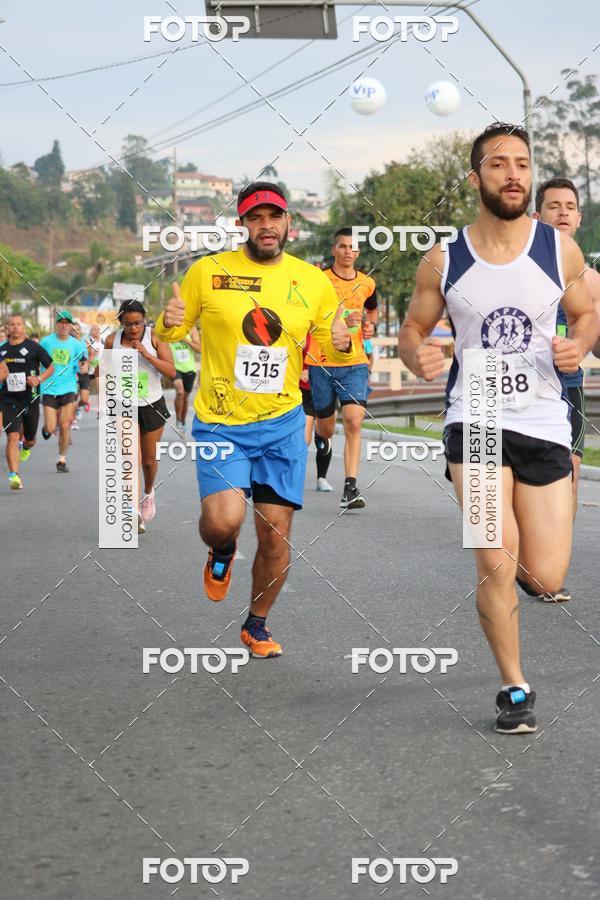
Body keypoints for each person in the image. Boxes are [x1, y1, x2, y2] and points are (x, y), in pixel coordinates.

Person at [398, 123, 597, 734]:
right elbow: (412, 328)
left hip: (542, 418)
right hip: (475, 418)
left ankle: (552, 518)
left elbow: (587, 312)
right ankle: (514, 686)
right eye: (498, 165)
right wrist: (418, 356)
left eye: (521, 164)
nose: (513, 174)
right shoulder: (446, 257)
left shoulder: (557, 249)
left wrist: (579, 347)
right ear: (475, 178)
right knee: (495, 560)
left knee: (545, 574)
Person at [155, 181, 354, 658]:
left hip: (283, 423)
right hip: (221, 420)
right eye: (256, 217)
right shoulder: (209, 271)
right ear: (242, 224)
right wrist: (168, 320)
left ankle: (256, 624)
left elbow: (329, 341)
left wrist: (344, 341)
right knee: (224, 522)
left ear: (290, 223)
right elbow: (174, 331)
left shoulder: (312, 280)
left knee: (275, 532)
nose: (267, 225)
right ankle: (221, 551)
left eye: (275, 216)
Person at [534, 176, 600, 601]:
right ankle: (510, 558)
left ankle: (551, 570)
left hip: (567, 384)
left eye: (569, 206)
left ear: (577, 218)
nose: (562, 212)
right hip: (512, 386)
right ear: (536, 217)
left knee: (570, 472)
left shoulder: (592, 279)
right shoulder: (514, 268)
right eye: (553, 206)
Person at [307, 227, 378, 509]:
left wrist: (369, 326)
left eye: (353, 247)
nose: (348, 251)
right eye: (343, 246)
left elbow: (371, 310)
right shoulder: (318, 280)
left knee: (353, 420)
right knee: (325, 429)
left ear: (358, 252)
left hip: (355, 362)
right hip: (321, 364)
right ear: (334, 250)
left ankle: (351, 486)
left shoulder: (367, 283)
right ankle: (322, 433)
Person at [104, 300, 176, 534]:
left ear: (144, 320)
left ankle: (148, 492)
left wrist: (146, 354)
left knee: (148, 461)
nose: (134, 328)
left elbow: (171, 371)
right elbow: (106, 370)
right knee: (129, 457)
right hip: (123, 404)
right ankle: (132, 510)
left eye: (138, 323)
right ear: (121, 322)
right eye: (128, 324)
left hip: (152, 404)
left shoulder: (155, 338)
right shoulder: (111, 341)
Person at [0, 314, 54, 489]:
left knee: (30, 439)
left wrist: (39, 379)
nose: (15, 327)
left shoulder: (34, 347)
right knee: (12, 437)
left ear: (24, 327)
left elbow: (51, 366)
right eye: (12, 325)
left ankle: (27, 447)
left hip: (30, 399)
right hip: (8, 400)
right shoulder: (2, 349)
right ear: (7, 327)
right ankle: (14, 476)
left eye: (18, 324)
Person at [40, 310, 88, 473]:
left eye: (67, 323)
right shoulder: (46, 342)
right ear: (57, 324)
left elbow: (83, 365)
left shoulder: (77, 345)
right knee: (51, 426)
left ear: (70, 326)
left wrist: (83, 368)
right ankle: (46, 429)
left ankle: (62, 459)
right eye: (61, 322)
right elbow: (36, 361)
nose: (64, 325)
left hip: (68, 388)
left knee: (65, 425)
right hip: (49, 387)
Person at [300, 331, 333, 491]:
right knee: (304, 437)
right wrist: (300, 371)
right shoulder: (301, 327)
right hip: (303, 390)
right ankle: (296, 475)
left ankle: (322, 478)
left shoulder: (330, 330)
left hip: (325, 391)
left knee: (323, 435)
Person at [170, 327, 201, 432]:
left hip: (189, 369)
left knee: (185, 397)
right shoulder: (168, 327)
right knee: (180, 392)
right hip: (174, 367)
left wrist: (186, 340)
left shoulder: (192, 330)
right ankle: (178, 419)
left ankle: (183, 420)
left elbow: (199, 349)